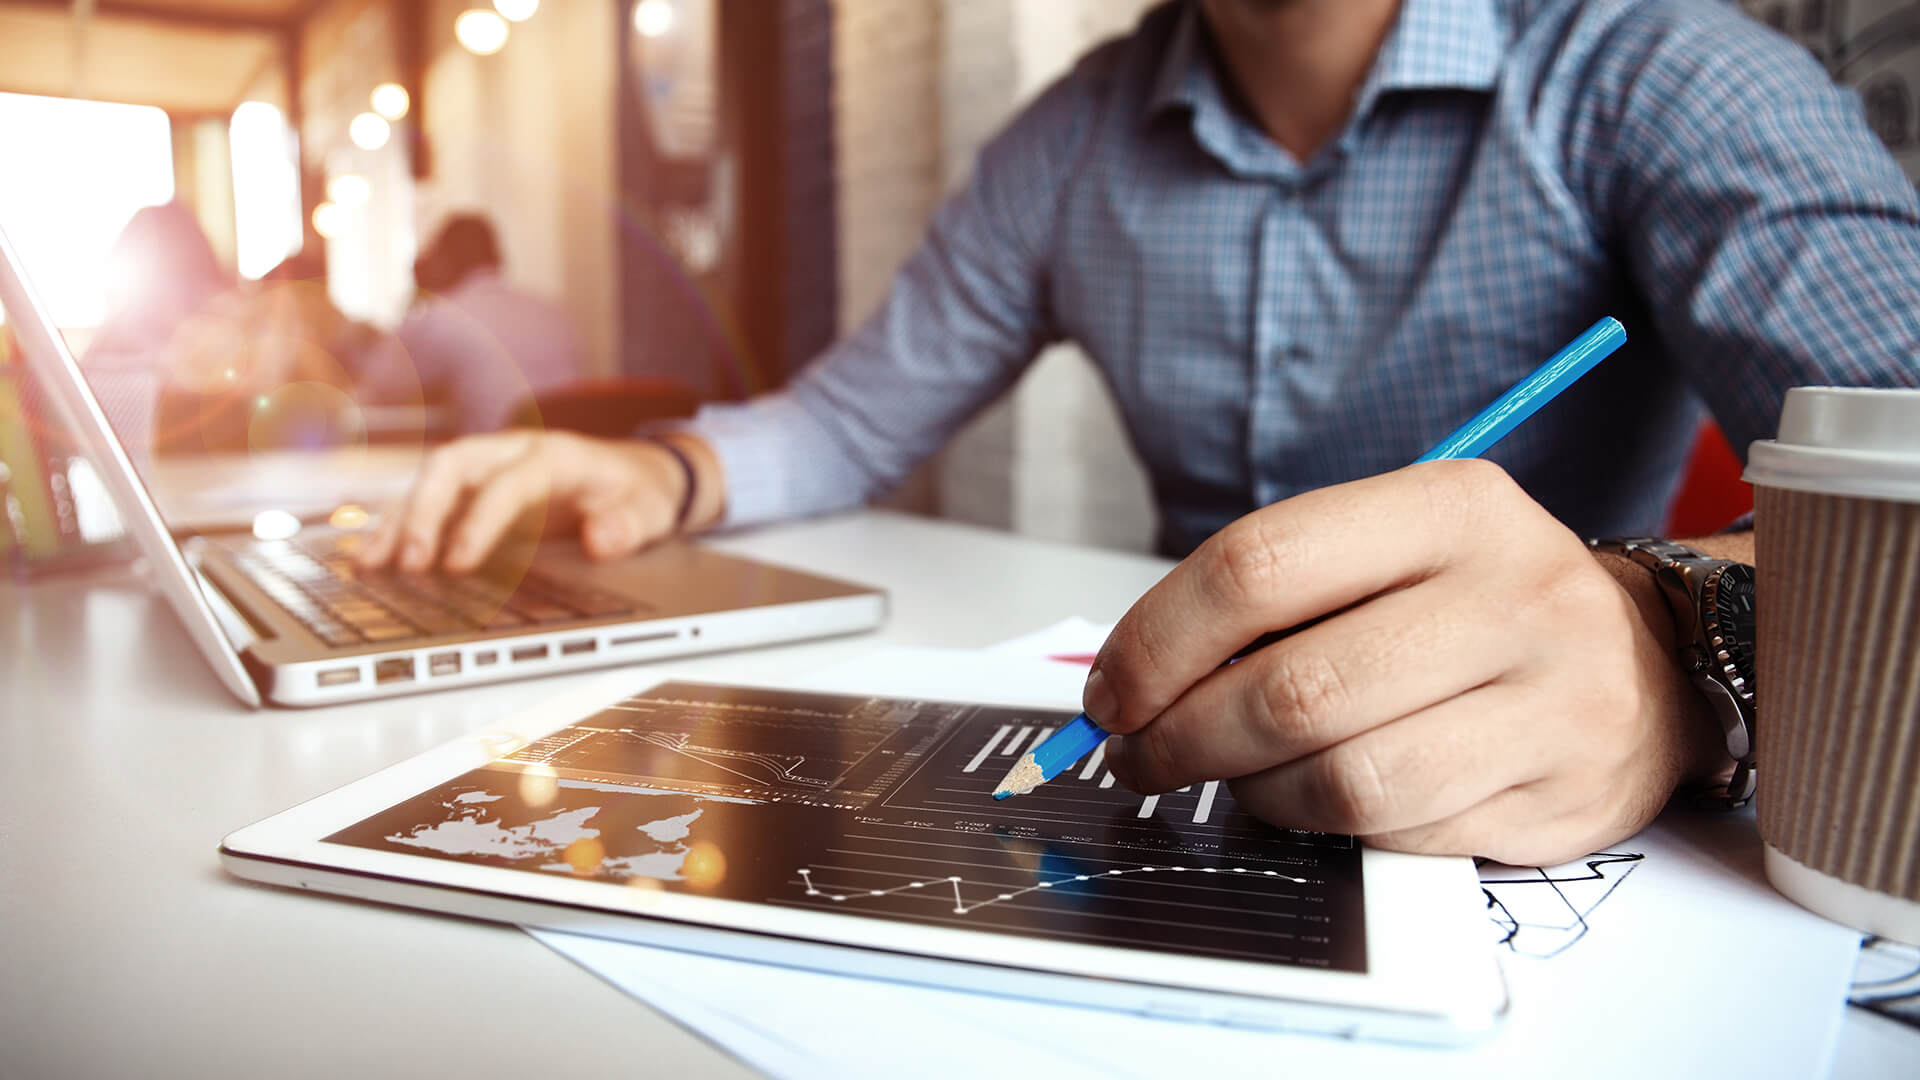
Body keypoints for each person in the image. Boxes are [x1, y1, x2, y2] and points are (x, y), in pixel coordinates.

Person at [361, 0, 1920, 866]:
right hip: (1185, 782)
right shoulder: (1073, 134)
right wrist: (663, 468)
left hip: (1527, 839)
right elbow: (857, 411)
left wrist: (1671, 632)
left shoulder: (1663, 74)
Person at [356, 214, 587, 435]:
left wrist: (418, 296)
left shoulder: (446, 315)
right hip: (567, 457)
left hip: (498, 461)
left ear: (442, 262)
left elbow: (382, 387)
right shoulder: (549, 308)